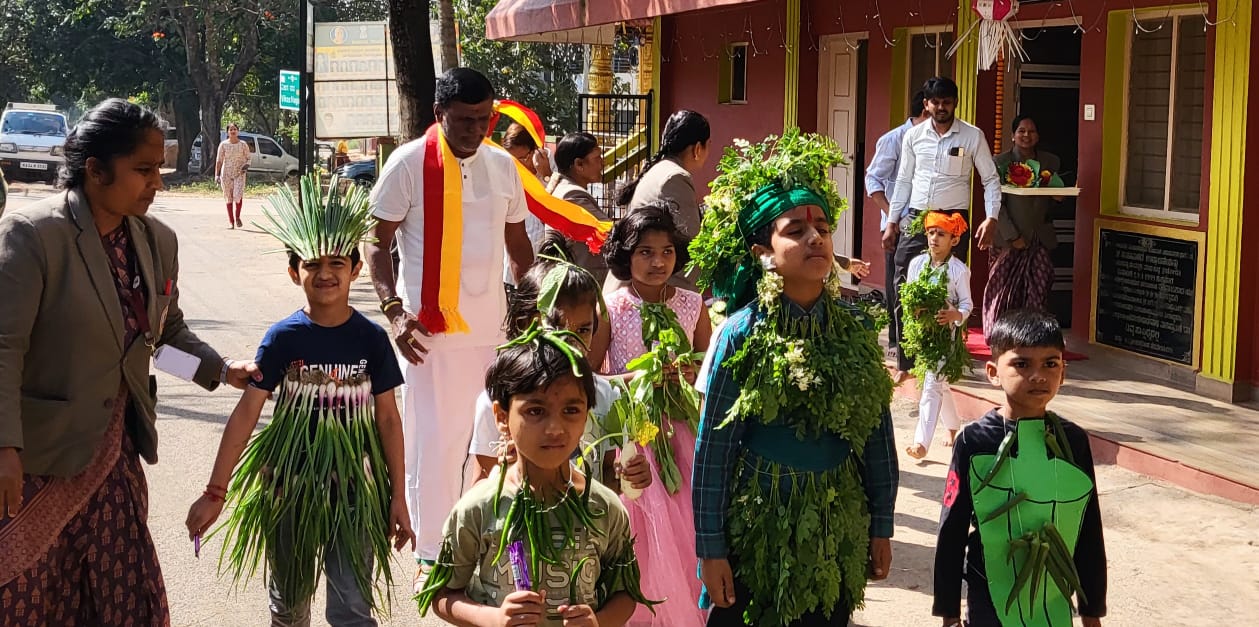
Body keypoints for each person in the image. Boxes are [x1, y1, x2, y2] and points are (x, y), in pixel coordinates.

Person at [0, 98, 259, 625]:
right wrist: (4, 446)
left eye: (159, 168)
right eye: (143, 170)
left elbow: (161, 338)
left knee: (121, 601)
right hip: (38, 461)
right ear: (95, 170)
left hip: (117, 456)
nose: (157, 183)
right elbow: (5, 348)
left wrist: (220, 369)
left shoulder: (157, 240)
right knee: (29, 598)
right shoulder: (33, 236)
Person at [185, 181, 416, 625]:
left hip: (355, 491)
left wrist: (398, 496)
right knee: (288, 608)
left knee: (351, 608)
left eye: (336, 263)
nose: (325, 273)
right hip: (288, 488)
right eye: (312, 263)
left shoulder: (371, 339)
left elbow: (388, 419)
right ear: (294, 272)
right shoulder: (282, 338)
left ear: (355, 269)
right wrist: (215, 491)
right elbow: (246, 414)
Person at [691, 130, 897, 627]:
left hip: (835, 524)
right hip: (758, 526)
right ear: (765, 251)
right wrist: (711, 548)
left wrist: (881, 524)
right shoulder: (740, 335)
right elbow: (714, 449)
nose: (816, 238)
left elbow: (877, 435)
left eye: (824, 227)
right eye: (796, 230)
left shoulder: (852, 330)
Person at [366, 67, 537, 591]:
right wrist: (394, 311)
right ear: (439, 115)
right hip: (429, 335)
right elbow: (376, 242)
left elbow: (518, 245)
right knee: (437, 444)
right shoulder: (409, 163)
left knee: (491, 440)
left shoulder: (503, 165)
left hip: (493, 332)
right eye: (464, 120)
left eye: (484, 119)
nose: (475, 129)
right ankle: (433, 552)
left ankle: (484, 539)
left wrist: (531, 303)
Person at [415, 328, 655, 626]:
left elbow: (626, 594)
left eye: (571, 410)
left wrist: (598, 621)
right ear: (502, 418)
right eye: (536, 411)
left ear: (586, 416)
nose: (555, 427)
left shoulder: (605, 508)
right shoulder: (477, 508)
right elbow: (441, 594)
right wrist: (493, 618)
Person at [933, 310, 1107, 627]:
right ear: (992, 372)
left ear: (1063, 372)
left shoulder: (1073, 442)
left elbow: (1088, 528)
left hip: (1053, 592)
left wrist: (1091, 610)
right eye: (1022, 364)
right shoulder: (974, 442)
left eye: (1050, 364)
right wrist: (948, 611)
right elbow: (952, 528)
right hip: (990, 591)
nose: (1038, 375)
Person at [588, 204, 712, 626]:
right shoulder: (613, 307)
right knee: (644, 522)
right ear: (627, 254)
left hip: (682, 430)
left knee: (686, 521)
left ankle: (688, 604)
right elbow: (595, 375)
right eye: (645, 252)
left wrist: (690, 371)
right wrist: (642, 375)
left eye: (667, 252)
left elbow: (707, 367)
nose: (658, 261)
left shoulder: (694, 304)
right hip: (635, 431)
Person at [468, 248, 650, 491]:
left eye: (583, 330)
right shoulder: (501, 401)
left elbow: (607, 476)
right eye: (556, 327)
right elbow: (479, 487)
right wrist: (504, 474)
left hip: (584, 529)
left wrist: (626, 476)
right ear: (524, 326)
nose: (569, 340)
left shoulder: (605, 395)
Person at [882, 77, 1001, 380]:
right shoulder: (913, 136)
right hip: (917, 217)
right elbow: (904, 180)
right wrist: (893, 222)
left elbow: (989, 179)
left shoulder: (973, 136)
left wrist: (991, 217)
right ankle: (906, 362)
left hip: (953, 219)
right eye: (935, 102)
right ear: (926, 104)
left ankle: (947, 361)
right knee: (903, 284)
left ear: (955, 103)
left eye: (947, 102)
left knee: (951, 286)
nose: (941, 108)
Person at [611, 110, 711, 293]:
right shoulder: (675, 177)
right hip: (648, 291)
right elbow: (691, 245)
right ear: (698, 148)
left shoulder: (661, 170)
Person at [865, 90, 931, 368]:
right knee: (899, 284)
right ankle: (897, 344)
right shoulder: (893, 139)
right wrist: (893, 217)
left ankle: (925, 344)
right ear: (925, 111)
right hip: (901, 224)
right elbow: (874, 181)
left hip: (931, 225)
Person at [983, 115, 1062, 335]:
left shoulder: (1050, 162)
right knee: (1003, 289)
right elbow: (996, 202)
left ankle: (1034, 335)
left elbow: (1056, 195)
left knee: (1039, 284)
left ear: (1038, 136)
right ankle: (998, 334)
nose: (1026, 135)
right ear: (1012, 135)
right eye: (1021, 131)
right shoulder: (1000, 162)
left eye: (1032, 131)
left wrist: (1059, 196)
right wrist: (1012, 236)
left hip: (1039, 236)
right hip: (1009, 238)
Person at [903, 212, 972, 459]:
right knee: (940, 385)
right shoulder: (917, 265)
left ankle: (920, 443)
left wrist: (955, 315)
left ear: (953, 240)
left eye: (941, 234)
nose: (934, 238)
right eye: (931, 233)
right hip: (923, 334)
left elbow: (967, 304)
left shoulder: (958, 271)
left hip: (946, 338)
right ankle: (953, 426)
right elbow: (908, 297)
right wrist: (915, 310)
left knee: (931, 385)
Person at [548, 131, 611, 284]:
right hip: (582, 283)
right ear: (579, 165)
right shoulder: (573, 196)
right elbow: (608, 231)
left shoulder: (564, 189)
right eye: (597, 158)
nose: (602, 163)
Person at [215, 122, 251, 229]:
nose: (233, 131)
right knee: (228, 197)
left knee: (237, 196)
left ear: (238, 131)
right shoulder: (223, 145)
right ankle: (231, 222)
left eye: (235, 129)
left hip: (239, 173)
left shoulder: (243, 144)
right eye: (231, 130)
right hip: (226, 174)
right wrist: (216, 175)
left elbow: (249, 158)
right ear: (227, 132)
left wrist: (246, 166)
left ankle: (238, 216)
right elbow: (219, 160)